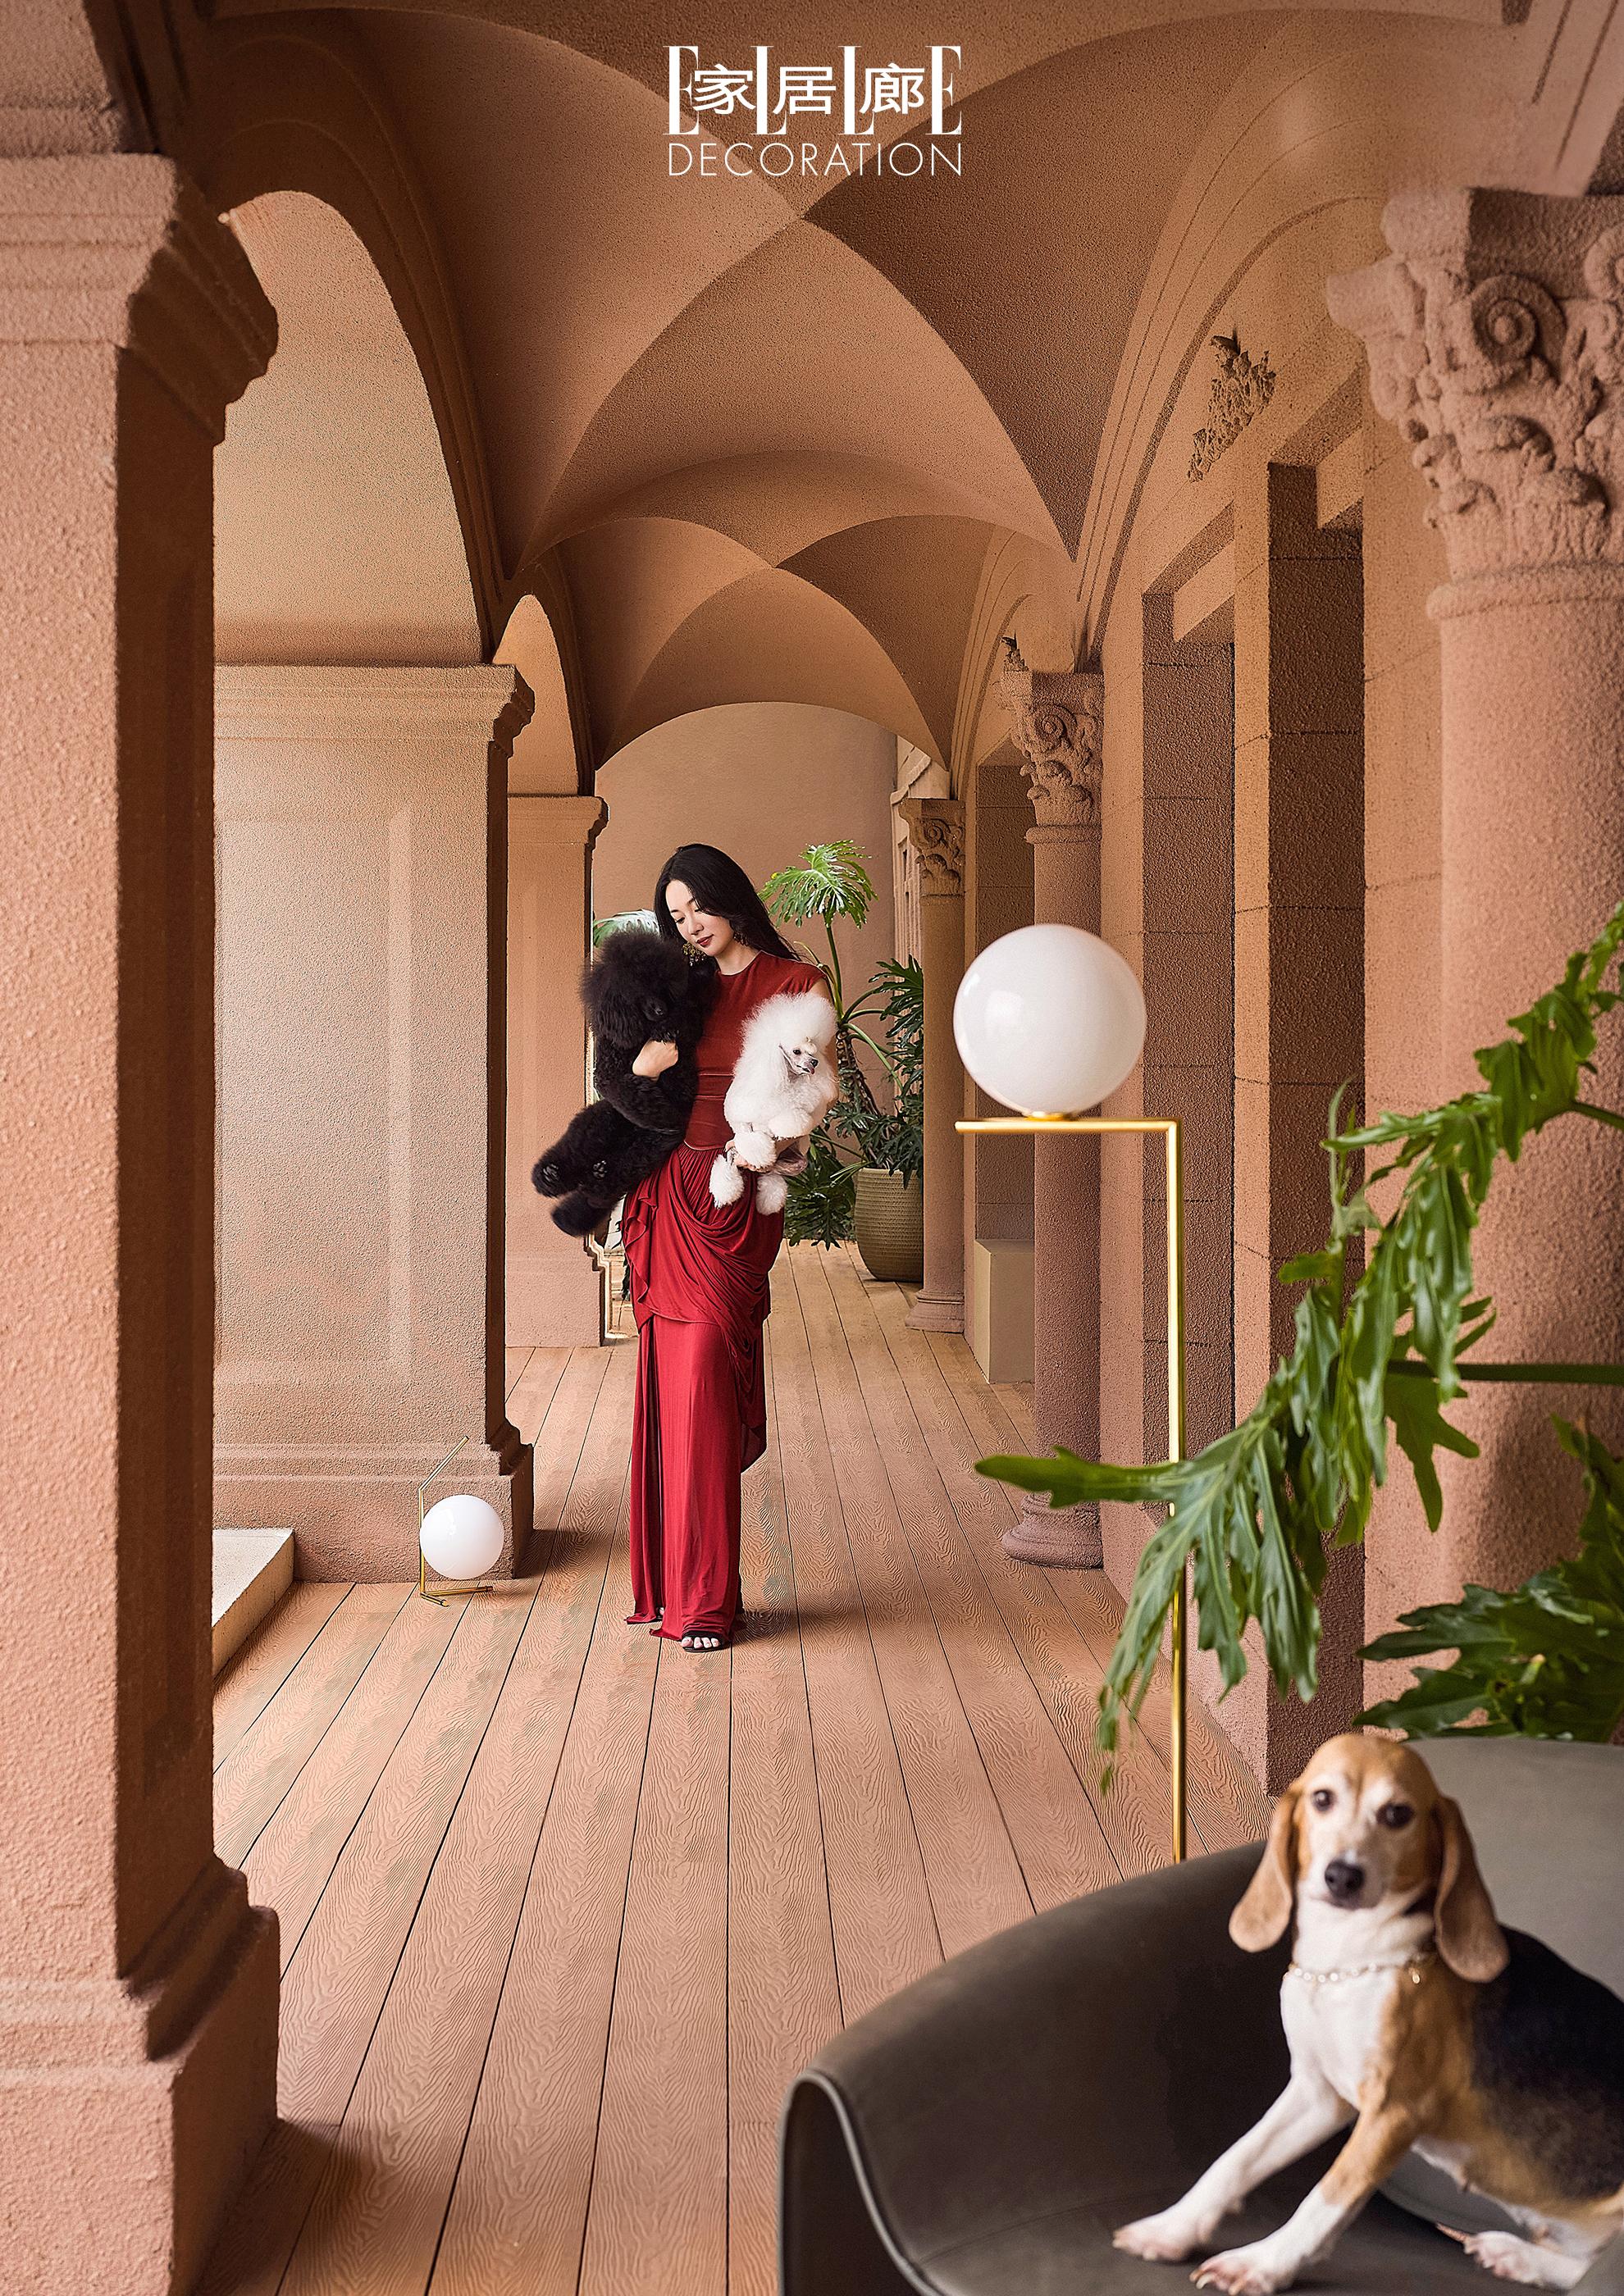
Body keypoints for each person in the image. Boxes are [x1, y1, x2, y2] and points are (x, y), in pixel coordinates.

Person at [621, 844, 833, 1651]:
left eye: (698, 907)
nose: (690, 926)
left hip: (737, 1201)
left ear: (728, 896)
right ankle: (689, 1598)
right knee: (679, 1394)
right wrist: (643, 1069)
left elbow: (811, 1100)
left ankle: (702, 1597)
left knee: (707, 1375)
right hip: (667, 1194)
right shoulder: (679, 989)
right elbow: (628, 1084)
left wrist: (767, 1151)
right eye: (676, 917)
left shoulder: (798, 983)